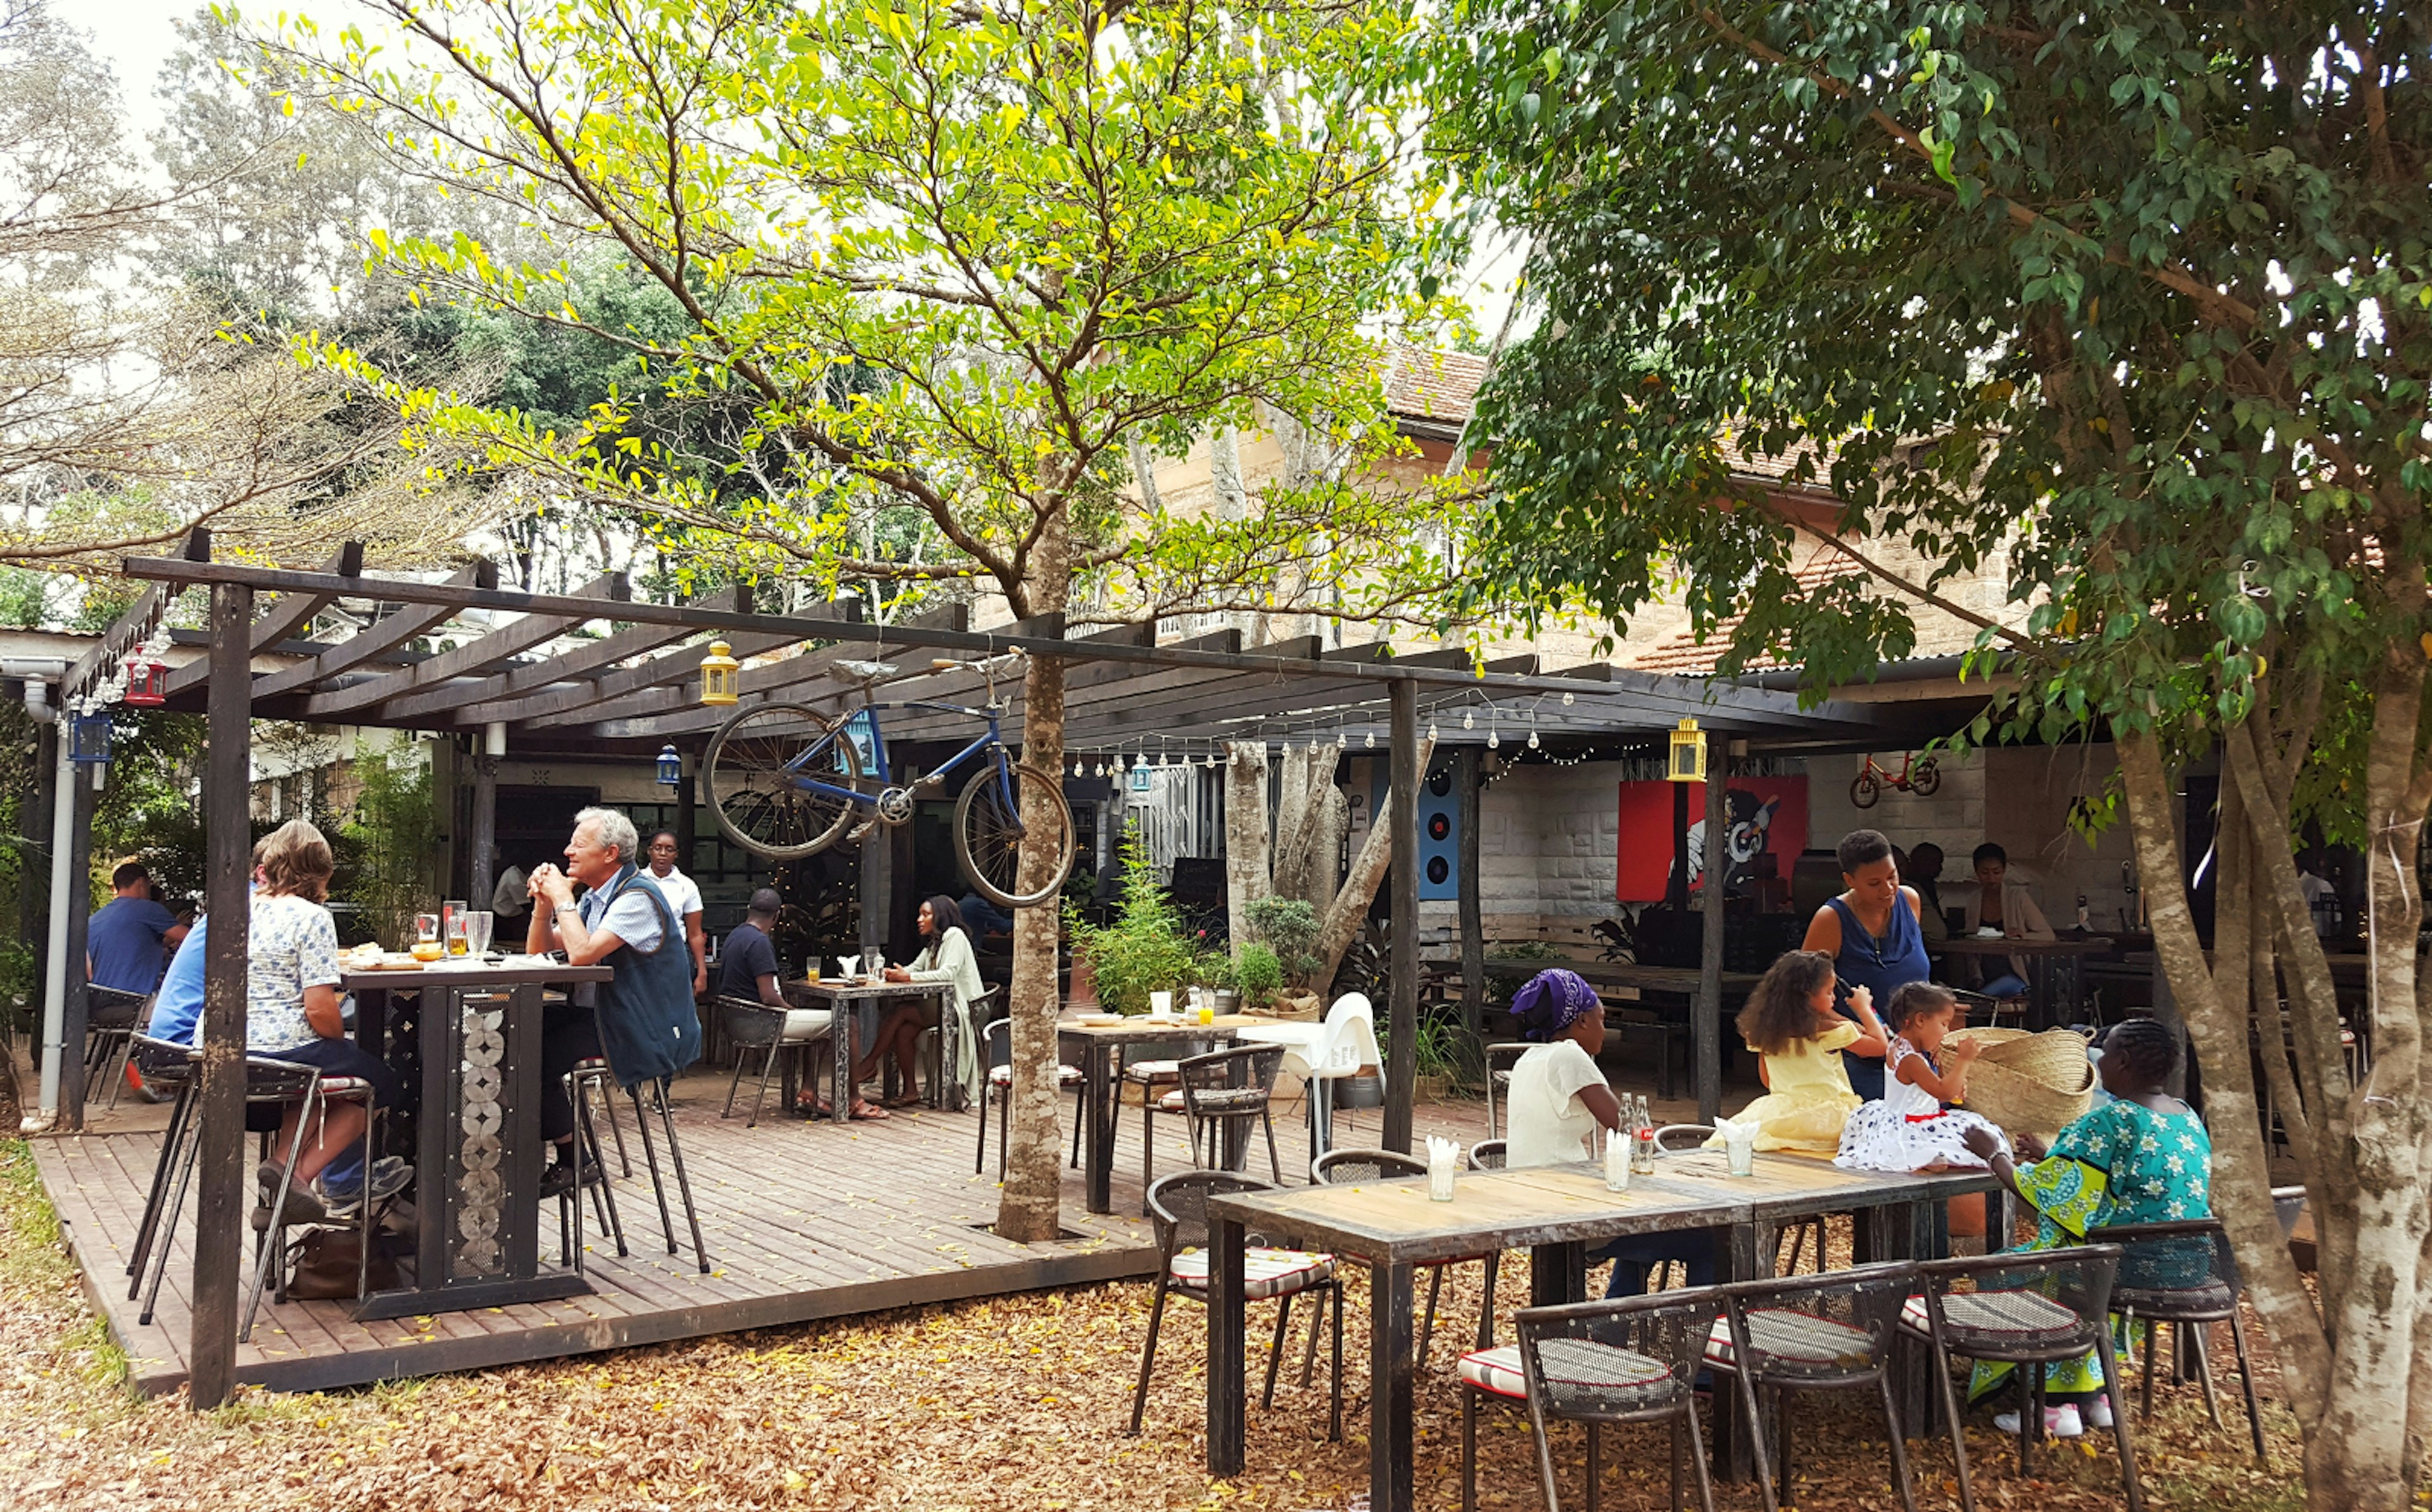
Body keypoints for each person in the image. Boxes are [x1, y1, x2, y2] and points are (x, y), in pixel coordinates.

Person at [1960, 1018, 2208, 1438]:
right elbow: (2127, 1179)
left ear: (2124, 1062)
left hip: (2112, 1268)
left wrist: (1995, 1154)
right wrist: (2052, 1155)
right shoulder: (2188, 1118)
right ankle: (2095, 1396)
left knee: (2011, 1269)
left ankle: (2056, 1405)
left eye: (2106, 1052)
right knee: (2077, 1271)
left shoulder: (2109, 1121)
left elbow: (2048, 1194)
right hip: (2176, 1267)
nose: (2101, 1060)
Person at [239, 821, 408, 1228]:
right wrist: (339, 1037)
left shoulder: (240, 908)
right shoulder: (312, 917)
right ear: (322, 871)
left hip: (231, 1046)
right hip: (283, 1050)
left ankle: (286, 1174)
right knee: (377, 1084)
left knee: (328, 1079)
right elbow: (318, 1009)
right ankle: (293, 1173)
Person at [527, 807, 702, 1197]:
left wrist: (561, 898)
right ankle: (561, 1155)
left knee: (525, 1056)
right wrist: (543, 907)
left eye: (579, 844)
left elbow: (583, 953)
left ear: (609, 853)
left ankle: (574, 1160)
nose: (568, 851)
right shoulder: (595, 898)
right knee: (515, 1034)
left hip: (638, 1030)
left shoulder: (638, 896)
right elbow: (539, 951)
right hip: (600, 1019)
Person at [1501, 968, 1702, 1297]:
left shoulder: (1529, 1058)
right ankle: (1702, 1332)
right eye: (1602, 1020)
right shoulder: (1569, 1055)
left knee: (1642, 1229)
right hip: (1566, 1209)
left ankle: (1615, 1325)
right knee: (1705, 1239)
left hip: (1529, 1201)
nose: (1604, 1030)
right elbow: (1626, 1127)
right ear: (1581, 1021)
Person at [718, 887, 884, 1121]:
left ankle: (808, 1091)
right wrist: (792, 1011)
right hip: (764, 1022)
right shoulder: (759, 943)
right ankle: (854, 1099)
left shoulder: (736, 936)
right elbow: (768, 996)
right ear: (776, 916)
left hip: (742, 1021)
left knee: (821, 1016)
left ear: (750, 910)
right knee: (849, 1022)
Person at [1798, 828, 1927, 1099]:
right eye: (1874, 883)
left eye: (1892, 876)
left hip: (1918, 1055)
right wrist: (1854, 1033)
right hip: (1859, 1060)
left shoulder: (1911, 901)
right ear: (1849, 880)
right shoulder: (1831, 919)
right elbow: (1801, 996)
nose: (1888, 888)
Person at [1718, 949, 1888, 1154]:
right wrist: (1863, 1008)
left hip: (1782, 1116)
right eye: (1829, 992)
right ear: (1808, 996)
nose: (1834, 998)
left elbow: (1767, 1080)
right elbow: (1881, 1045)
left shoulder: (1763, 1033)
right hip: (1830, 1119)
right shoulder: (1827, 1031)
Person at [1834, 981, 2006, 1172]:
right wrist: (1963, 1060)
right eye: (1944, 1024)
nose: (1946, 1032)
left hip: (1903, 1117)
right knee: (1975, 1139)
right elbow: (1944, 1093)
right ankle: (1925, 1157)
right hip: (1912, 1125)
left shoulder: (1898, 1045)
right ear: (1921, 1020)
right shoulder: (1911, 1060)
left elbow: (1939, 1089)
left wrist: (1945, 1069)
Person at [861, 895, 985, 1108]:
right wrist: (894, 973)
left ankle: (869, 1063)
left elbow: (947, 974)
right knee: (904, 1031)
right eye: (920, 914)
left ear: (941, 916)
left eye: (926, 914)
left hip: (962, 1008)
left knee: (900, 1012)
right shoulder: (934, 945)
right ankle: (910, 1091)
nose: (919, 919)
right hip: (943, 1005)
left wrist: (907, 978)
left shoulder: (955, 936)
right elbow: (914, 969)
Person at [1964, 842, 2055, 999]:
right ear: (1976, 872)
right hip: (1984, 975)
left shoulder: (2018, 897)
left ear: (2004, 870)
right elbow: (1970, 946)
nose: (1991, 878)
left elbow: (2048, 935)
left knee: (1978, 1001)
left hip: (2017, 975)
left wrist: (2023, 936)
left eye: (1996, 872)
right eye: (1985, 873)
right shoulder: (1974, 900)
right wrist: (1976, 977)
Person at [87, 860, 186, 998]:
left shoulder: (96, 919)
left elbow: (133, 947)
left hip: (98, 1001)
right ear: (141, 882)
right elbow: (192, 939)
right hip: (133, 1001)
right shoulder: (147, 909)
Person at [643, 829, 709, 997]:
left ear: (676, 854)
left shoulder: (686, 886)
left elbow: (695, 933)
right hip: (641, 956)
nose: (663, 854)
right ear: (649, 851)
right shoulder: (637, 881)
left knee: (675, 1006)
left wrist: (702, 971)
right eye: (658, 848)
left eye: (669, 849)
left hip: (675, 955)